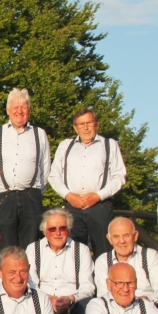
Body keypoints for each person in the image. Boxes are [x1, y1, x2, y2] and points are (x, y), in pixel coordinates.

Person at [48, 109, 126, 256]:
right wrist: (69, 195)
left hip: (100, 206)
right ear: (75, 127)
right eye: (81, 124)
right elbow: (54, 176)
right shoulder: (65, 146)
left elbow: (119, 176)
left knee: (105, 253)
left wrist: (98, 196)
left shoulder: (109, 145)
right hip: (72, 207)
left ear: (96, 124)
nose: (85, 127)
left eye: (89, 123)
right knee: (72, 254)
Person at [0, 88, 50, 249]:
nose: (19, 111)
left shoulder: (39, 134)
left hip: (31, 196)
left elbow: (45, 167)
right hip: (4, 197)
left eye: (23, 107)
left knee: (32, 246)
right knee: (6, 247)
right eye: (15, 107)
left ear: (29, 110)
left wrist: (35, 192)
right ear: (8, 110)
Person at [92, 217, 158, 314]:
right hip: (116, 313)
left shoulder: (150, 256)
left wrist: (144, 299)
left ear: (135, 236)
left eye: (126, 235)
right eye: (116, 237)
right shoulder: (103, 261)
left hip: (149, 308)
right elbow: (103, 296)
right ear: (109, 239)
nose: (122, 241)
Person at [27, 208, 95, 314]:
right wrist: (48, 298)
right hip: (42, 302)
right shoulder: (33, 249)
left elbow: (88, 286)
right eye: (52, 229)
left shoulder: (82, 250)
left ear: (68, 230)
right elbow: (31, 284)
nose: (58, 233)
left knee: (89, 304)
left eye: (62, 228)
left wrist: (70, 299)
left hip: (73, 304)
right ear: (45, 232)